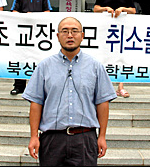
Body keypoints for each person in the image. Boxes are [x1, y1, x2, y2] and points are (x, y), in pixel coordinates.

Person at [22, 17, 117, 166]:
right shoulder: (44, 67)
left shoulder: (95, 67)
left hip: (84, 139)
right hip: (52, 140)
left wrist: (102, 136)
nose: (70, 35)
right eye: (65, 31)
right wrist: (34, 136)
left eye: (74, 31)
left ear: (83, 35)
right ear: (58, 36)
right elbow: (36, 103)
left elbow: (102, 103)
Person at [93, 0, 136, 98]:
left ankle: (120, 87)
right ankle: (106, 86)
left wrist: (123, 9)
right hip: (105, 30)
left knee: (121, 56)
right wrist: (105, 8)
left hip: (122, 31)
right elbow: (95, 8)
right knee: (105, 55)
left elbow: (133, 10)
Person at [10, 0, 52, 95]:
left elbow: (48, 12)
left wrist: (34, 16)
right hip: (23, 33)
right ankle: (19, 86)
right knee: (21, 57)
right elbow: (14, 12)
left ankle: (39, 87)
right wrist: (25, 16)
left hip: (39, 33)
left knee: (39, 58)